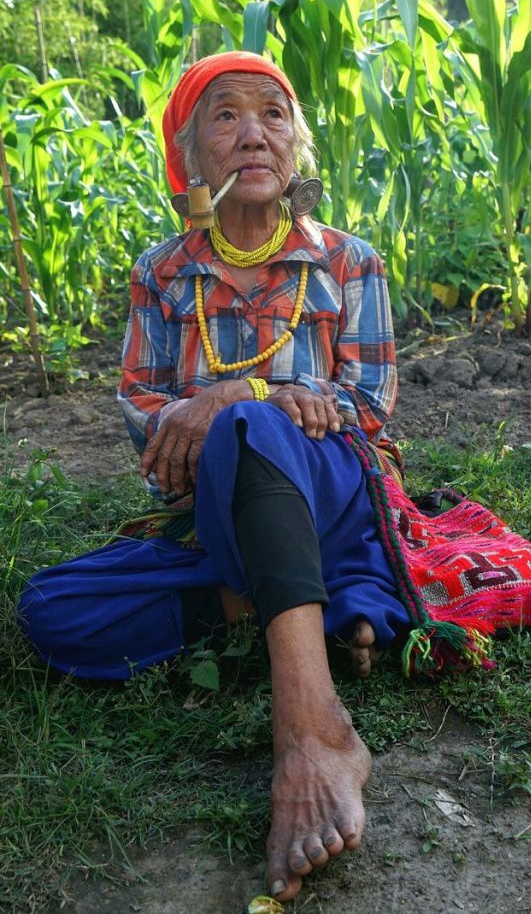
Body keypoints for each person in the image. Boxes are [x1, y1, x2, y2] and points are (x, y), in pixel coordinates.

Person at [19, 51, 412, 903]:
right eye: (223, 117)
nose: (252, 134)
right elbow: (145, 425)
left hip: (331, 495)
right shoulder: (160, 275)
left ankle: (312, 732)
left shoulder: (348, 262)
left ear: (295, 143)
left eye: (272, 115)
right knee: (49, 611)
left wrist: (244, 393)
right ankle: (305, 601)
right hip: (219, 514)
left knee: (244, 420)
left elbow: (369, 412)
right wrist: (232, 414)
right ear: (191, 156)